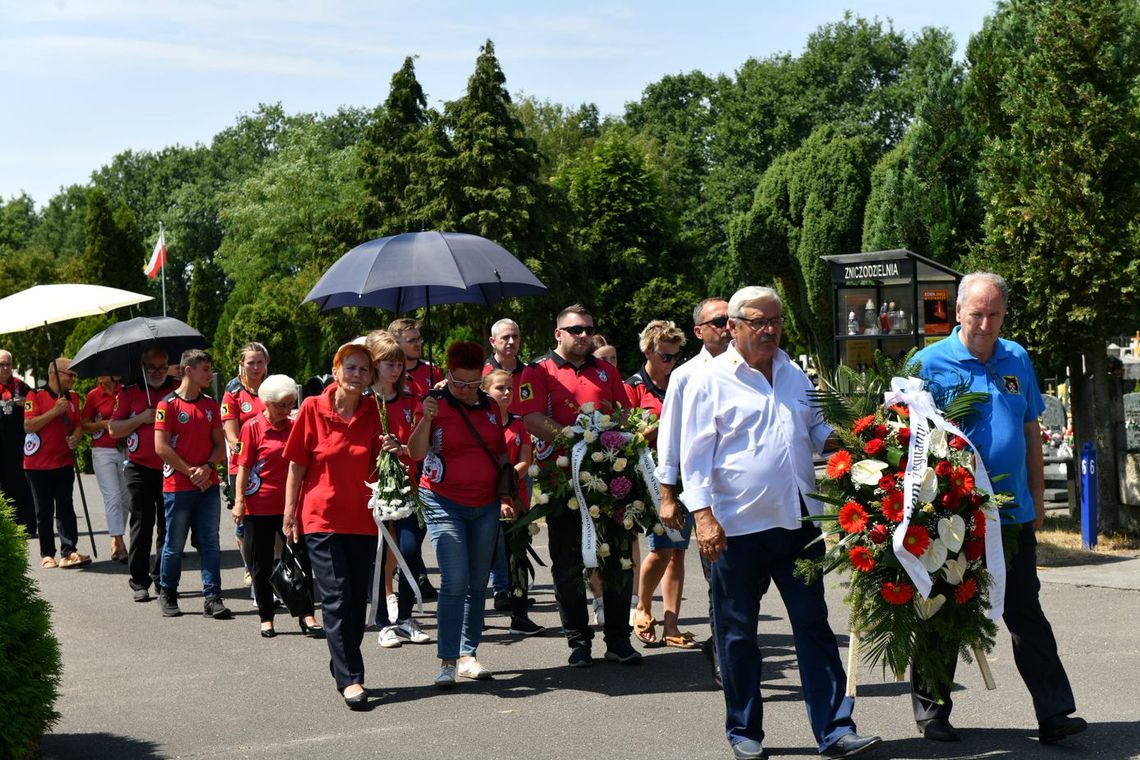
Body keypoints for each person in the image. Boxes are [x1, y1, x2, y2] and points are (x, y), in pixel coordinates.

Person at [679, 286, 881, 760]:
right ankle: (744, 732)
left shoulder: (794, 372)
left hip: (797, 524)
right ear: (733, 326)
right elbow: (694, 457)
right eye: (758, 322)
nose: (769, 330)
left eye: (776, 321)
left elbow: (815, 432)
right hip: (734, 531)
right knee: (736, 634)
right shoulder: (709, 380)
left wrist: (858, 440)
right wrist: (703, 518)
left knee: (814, 627)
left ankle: (835, 730)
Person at [910, 271, 1086, 745]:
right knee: (942, 609)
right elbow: (906, 439)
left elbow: (1030, 430)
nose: (985, 323)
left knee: (1025, 611)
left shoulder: (1017, 357)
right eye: (977, 313)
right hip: (951, 514)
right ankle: (932, 712)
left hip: (1011, 515)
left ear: (1004, 314)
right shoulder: (929, 362)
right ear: (958, 310)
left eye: (994, 314)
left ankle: (1054, 715)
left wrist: (1035, 496)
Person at [519, 304, 643, 668]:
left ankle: (619, 639)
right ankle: (578, 641)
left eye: (588, 329)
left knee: (618, 559)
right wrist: (576, 439)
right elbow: (530, 417)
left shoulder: (605, 370)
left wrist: (609, 443)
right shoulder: (538, 371)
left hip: (609, 478)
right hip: (562, 481)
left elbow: (623, 415)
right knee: (568, 564)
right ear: (559, 333)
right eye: (575, 330)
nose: (584, 336)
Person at [283, 343, 383, 710]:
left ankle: (340, 659)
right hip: (320, 518)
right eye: (351, 368)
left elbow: (379, 462)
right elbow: (296, 464)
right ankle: (351, 677)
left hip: (362, 519)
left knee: (357, 602)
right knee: (337, 596)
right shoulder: (312, 408)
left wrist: (390, 448)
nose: (357, 375)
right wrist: (289, 513)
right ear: (336, 371)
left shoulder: (375, 411)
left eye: (364, 370)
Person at [406, 341, 508, 687]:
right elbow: (415, 452)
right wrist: (427, 419)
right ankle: (447, 660)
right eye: (458, 383)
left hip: (486, 504)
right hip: (442, 499)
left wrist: (508, 489)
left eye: (472, 384)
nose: (465, 391)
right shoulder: (434, 405)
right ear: (446, 375)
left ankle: (469, 654)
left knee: (479, 581)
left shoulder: (491, 406)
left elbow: (500, 450)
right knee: (455, 579)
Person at [654, 297, 732, 686]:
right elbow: (669, 437)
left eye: (730, 319)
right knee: (719, 581)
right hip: (709, 501)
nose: (726, 325)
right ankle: (722, 653)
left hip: (751, 499)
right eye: (718, 320)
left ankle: (727, 646)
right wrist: (668, 495)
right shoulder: (686, 374)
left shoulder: (754, 364)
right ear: (699, 330)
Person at [231, 373, 322, 639]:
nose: (286, 410)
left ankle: (307, 615)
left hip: (290, 507)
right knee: (260, 564)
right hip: (258, 505)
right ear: (267, 403)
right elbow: (243, 467)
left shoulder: (294, 426)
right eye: (281, 405)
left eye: (290, 404)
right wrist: (239, 503)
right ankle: (267, 617)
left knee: (299, 561)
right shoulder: (252, 428)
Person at [626, 319, 695, 650]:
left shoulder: (683, 382)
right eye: (666, 356)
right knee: (662, 548)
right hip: (651, 478)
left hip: (686, 475)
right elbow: (623, 438)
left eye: (676, 356)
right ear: (648, 351)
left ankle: (671, 624)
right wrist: (654, 429)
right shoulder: (633, 387)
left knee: (678, 552)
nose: (672, 363)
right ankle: (642, 607)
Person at [364, 330, 432, 649]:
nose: (395, 369)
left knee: (409, 549)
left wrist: (402, 448)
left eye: (399, 363)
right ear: (374, 365)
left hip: (409, 486)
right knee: (378, 554)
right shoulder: (363, 402)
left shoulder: (410, 400)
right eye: (388, 363)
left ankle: (404, 617)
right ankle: (383, 622)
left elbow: (420, 448)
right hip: (373, 488)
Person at [154, 350, 230, 621]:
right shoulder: (168, 405)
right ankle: (169, 592)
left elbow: (221, 446)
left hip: (207, 485)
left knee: (210, 542)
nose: (210, 374)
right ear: (189, 370)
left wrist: (208, 467)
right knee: (174, 544)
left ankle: (212, 597)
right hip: (178, 485)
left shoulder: (210, 405)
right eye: (205, 369)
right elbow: (160, 447)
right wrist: (190, 472)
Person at [111, 347, 178, 602]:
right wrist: (141, 418)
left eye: (163, 367)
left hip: (170, 466)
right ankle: (139, 581)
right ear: (142, 367)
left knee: (168, 524)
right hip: (139, 467)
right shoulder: (129, 392)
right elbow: (114, 429)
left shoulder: (178, 388)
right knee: (142, 523)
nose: (158, 372)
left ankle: (163, 577)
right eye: (152, 368)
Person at [482, 368, 543, 636]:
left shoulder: (518, 423)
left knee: (517, 556)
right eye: (499, 388)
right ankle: (475, 617)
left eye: (510, 388)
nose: (506, 393)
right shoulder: (481, 422)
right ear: (485, 391)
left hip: (517, 501)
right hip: (485, 500)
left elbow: (525, 459)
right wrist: (499, 497)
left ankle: (520, 616)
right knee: (482, 559)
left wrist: (509, 485)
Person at [482, 317, 535, 612]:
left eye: (515, 336)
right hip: (488, 483)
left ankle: (516, 590)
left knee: (516, 537)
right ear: (493, 342)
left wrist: (511, 477)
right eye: (505, 337)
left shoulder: (530, 371)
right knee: (493, 541)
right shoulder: (482, 372)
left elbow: (526, 455)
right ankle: (500, 587)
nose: (511, 341)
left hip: (517, 478)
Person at [24, 357, 90, 569]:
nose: (73, 379)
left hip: (64, 461)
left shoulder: (73, 398)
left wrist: (76, 437)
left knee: (65, 506)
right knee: (43, 510)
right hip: (38, 465)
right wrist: (54, 412)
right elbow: (29, 426)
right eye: (69, 374)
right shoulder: (34, 395)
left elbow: (78, 425)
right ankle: (47, 553)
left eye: (74, 376)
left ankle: (69, 551)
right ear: (55, 374)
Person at [221, 342, 270, 587]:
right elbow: (231, 435)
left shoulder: (272, 388)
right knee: (244, 524)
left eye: (260, 362)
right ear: (242, 364)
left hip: (272, 466)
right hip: (242, 466)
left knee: (271, 521)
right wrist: (247, 452)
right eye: (250, 362)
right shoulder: (233, 392)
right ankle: (250, 567)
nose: (255, 367)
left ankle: (272, 573)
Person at [81, 374, 129, 562]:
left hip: (125, 448)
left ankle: (116, 539)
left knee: (125, 497)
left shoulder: (125, 391)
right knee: (113, 497)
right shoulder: (94, 395)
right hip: (102, 451)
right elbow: (84, 424)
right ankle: (118, 540)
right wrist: (101, 424)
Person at [0, 350, 36, 534]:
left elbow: (35, 408)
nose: (5, 368)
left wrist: (26, 403)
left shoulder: (22, 387)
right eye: (1, 364)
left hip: (19, 445)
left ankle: (27, 525)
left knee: (21, 484)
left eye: (8, 364)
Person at [389, 317, 437, 399]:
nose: (418, 344)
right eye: (411, 341)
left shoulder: (432, 370)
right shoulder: (387, 373)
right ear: (396, 344)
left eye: (419, 339)